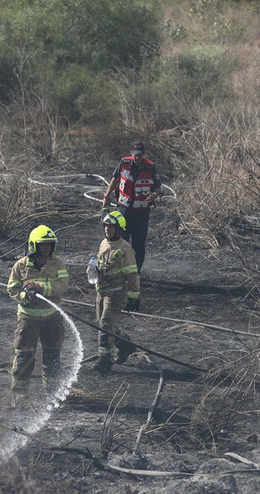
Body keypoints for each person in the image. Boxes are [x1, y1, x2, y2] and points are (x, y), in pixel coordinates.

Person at [7, 225, 69, 393]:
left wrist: (40, 286)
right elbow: (12, 289)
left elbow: (62, 285)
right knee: (24, 357)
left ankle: (51, 393)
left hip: (52, 317)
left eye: (49, 244)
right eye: (43, 244)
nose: (47, 248)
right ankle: (19, 395)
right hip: (28, 319)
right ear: (34, 245)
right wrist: (25, 297)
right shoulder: (20, 266)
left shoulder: (58, 263)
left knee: (52, 356)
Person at [102, 140, 162, 273]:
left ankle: (136, 272)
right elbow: (115, 179)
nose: (138, 157)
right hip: (124, 209)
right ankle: (118, 269)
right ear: (131, 153)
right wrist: (106, 197)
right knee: (120, 239)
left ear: (143, 154)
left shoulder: (151, 167)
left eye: (140, 155)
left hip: (141, 211)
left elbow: (158, 188)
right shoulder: (124, 163)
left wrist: (154, 195)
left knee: (139, 243)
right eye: (136, 155)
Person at [92, 211, 140, 375]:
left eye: (111, 226)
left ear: (119, 229)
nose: (107, 229)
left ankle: (105, 361)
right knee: (103, 324)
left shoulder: (125, 249)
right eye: (106, 226)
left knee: (105, 326)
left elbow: (132, 274)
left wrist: (134, 296)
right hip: (101, 291)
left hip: (115, 293)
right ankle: (125, 343)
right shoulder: (104, 244)